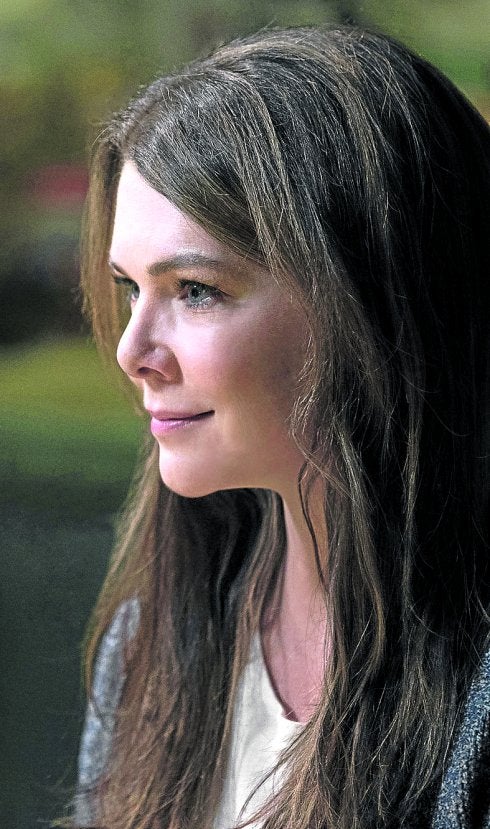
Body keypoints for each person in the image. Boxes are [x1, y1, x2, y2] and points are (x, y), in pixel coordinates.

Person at [72, 25, 490, 829]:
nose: (132, 351)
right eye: (130, 289)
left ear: (373, 300)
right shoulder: (150, 647)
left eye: (194, 289)